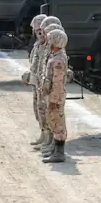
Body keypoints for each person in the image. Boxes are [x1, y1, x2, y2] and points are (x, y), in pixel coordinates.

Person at [41, 28, 69, 163]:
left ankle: (59, 153)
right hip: (53, 95)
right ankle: (55, 150)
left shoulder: (58, 60)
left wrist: (53, 100)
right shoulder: (56, 56)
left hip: (55, 96)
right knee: (54, 121)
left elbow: (57, 82)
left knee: (57, 123)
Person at [25, 13, 48, 146]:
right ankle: (43, 134)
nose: (36, 32)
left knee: (45, 111)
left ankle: (48, 139)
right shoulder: (38, 43)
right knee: (38, 109)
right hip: (37, 82)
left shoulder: (47, 44)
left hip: (44, 83)